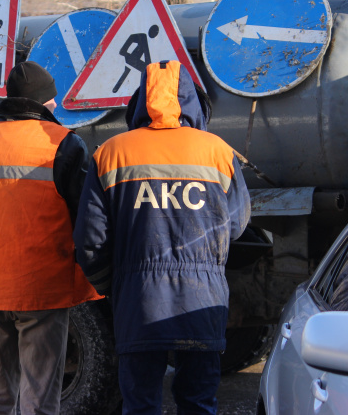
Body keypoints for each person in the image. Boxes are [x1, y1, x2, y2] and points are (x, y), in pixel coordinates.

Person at [73, 60, 251, 415]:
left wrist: (114, 285)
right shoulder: (218, 151)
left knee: (140, 405)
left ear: (139, 103)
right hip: (202, 298)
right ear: (195, 105)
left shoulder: (111, 153)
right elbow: (236, 224)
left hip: (138, 302)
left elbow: (90, 239)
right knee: (198, 403)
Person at [0, 61, 100, 415]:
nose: (57, 105)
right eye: (52, 100)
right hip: (43, 288)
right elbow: (87, 218)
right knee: (39, 402)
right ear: (41, 102)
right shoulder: (63, 143)